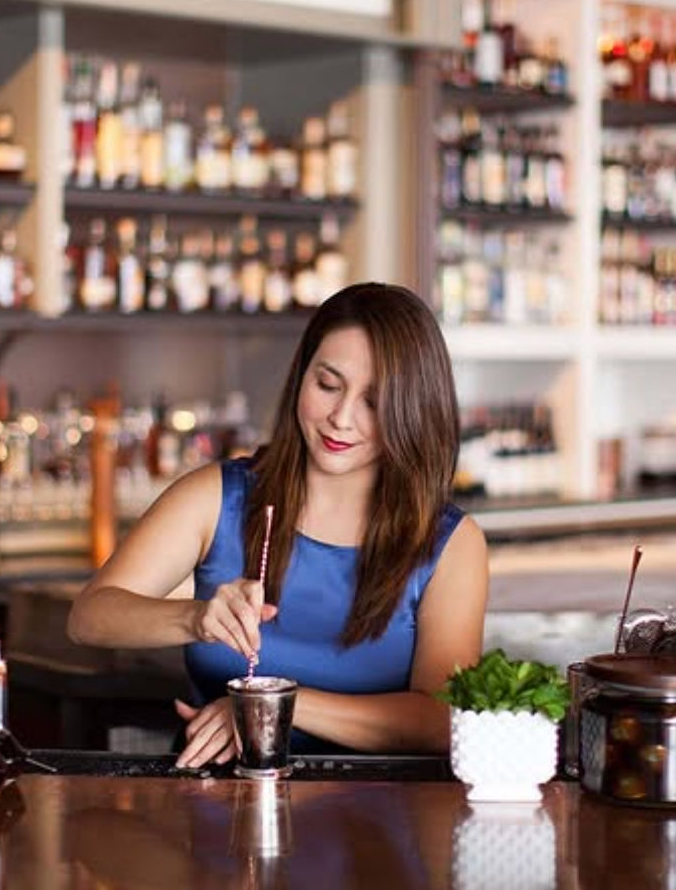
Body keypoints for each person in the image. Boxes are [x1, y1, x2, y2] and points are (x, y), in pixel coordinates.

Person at [68, 282, 489, 767]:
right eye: (327, 385)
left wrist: (269, 706)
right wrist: (196, 618)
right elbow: (90, 618)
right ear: (300, 376)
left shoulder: (450, 544)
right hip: (222, 810)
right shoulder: (217, 496)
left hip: (374, 828)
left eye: (373, 402)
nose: (341, 418)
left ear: (413, 410)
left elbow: (443, 723)